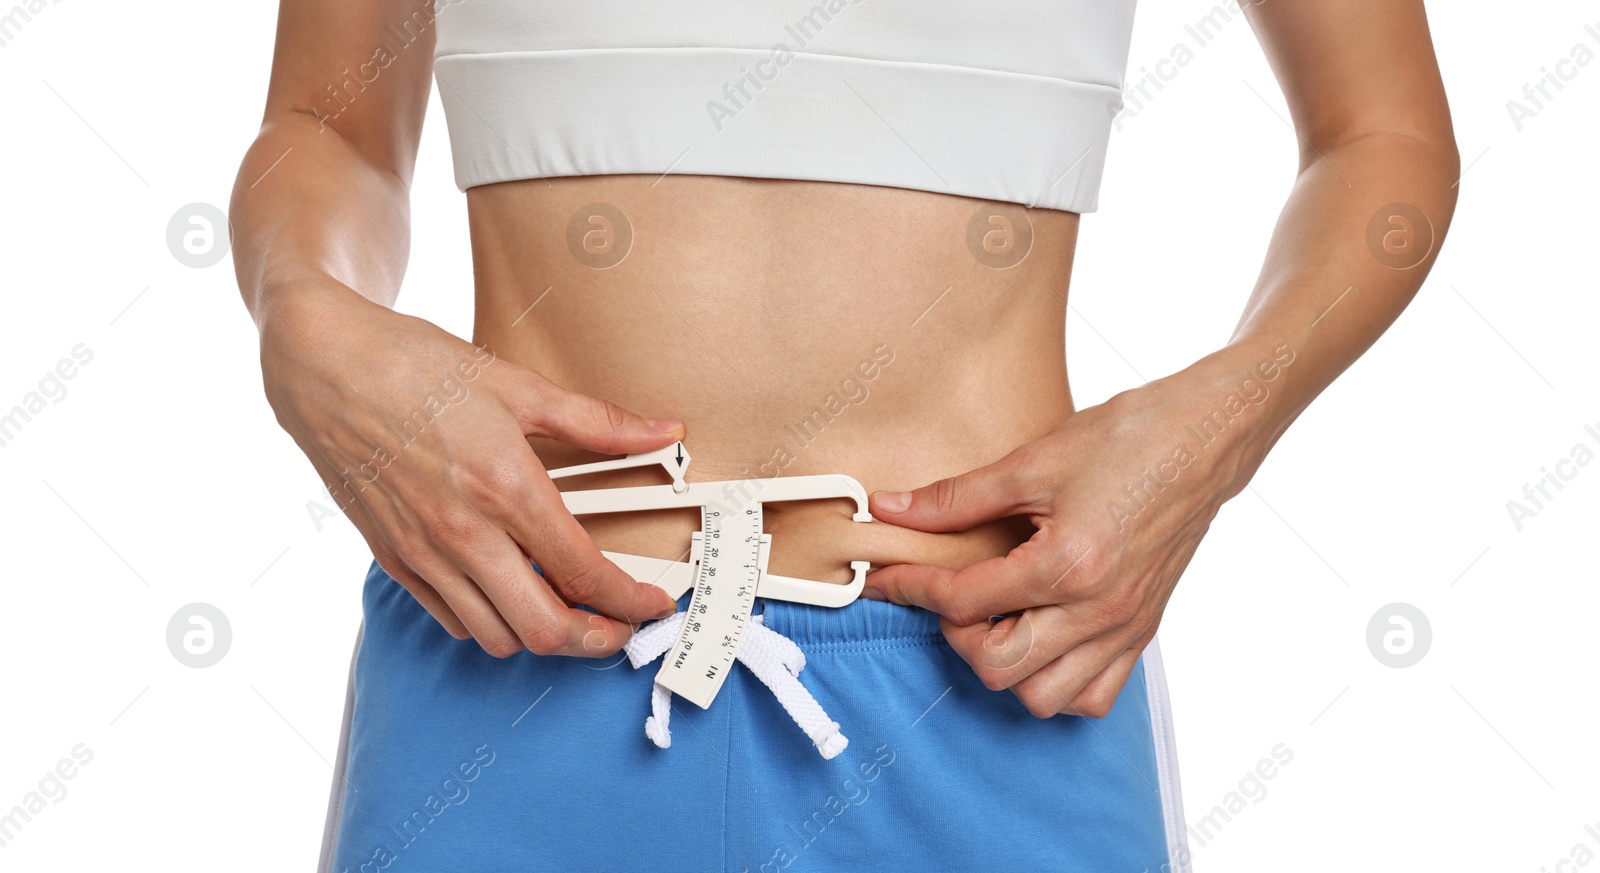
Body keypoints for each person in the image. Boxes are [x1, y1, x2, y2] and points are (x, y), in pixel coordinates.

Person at [229, 0, 1458, 869]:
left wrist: (1220, 428)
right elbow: (327, 128)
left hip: (994, 674)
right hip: (517, 637)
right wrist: (303, 312)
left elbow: (1380, 134)